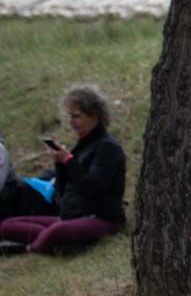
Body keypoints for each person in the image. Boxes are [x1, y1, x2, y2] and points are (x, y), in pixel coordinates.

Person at [0, 85, 126, 255]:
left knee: (57, 231)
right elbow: (62, 188)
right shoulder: (82, 146)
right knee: (8, 225)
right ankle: (63, 242)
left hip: (100, 217)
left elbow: (94, 187)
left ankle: (31, 248)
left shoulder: (108, 147)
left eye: (76, 116)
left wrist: (68, 161)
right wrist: (60, 163)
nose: (71, 122)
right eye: (70, 116)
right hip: (70, 216)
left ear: (94, 116)